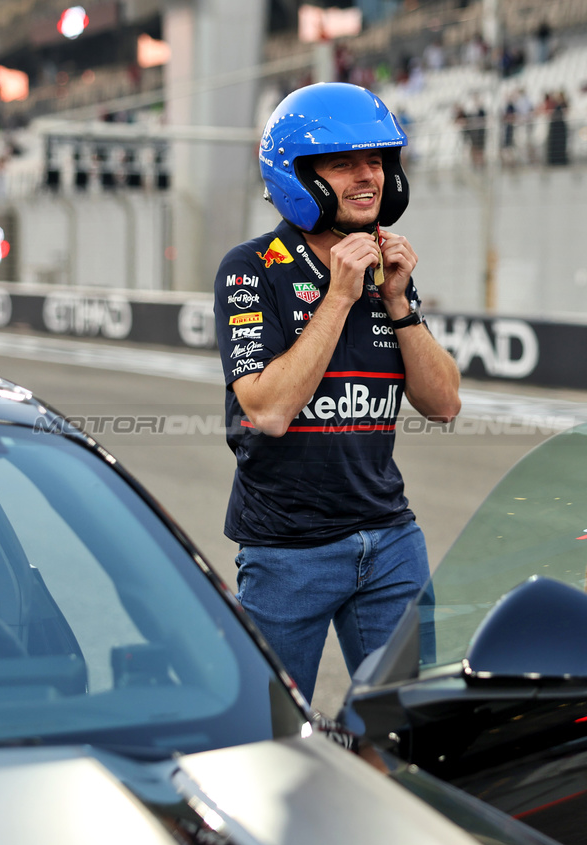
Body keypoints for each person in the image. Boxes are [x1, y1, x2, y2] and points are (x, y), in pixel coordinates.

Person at [213, 83, 461, 701]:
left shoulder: (387, 272)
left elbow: (444, 403)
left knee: (412, 727)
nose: (366, 176)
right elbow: (267, 409)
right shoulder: (252, 267)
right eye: (343, 162)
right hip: (286, 550)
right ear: (298, 174)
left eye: (376, 160)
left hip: (390, 539)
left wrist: (399, 299)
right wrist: (340, 295)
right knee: (270, 731)